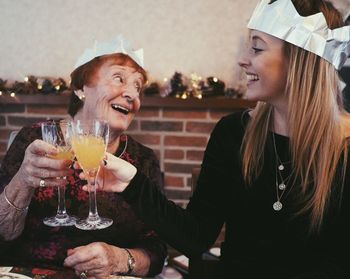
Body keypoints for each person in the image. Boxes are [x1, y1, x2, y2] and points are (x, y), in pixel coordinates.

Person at [82, 1, 350, 278]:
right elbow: (195, 237)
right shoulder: (233, 133)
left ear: (299, 59)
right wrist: (132, 183)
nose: (242, 59)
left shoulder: (345, 147)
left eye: (257, 48)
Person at [0, 36, 167, 278]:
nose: (132, 94)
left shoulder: (143, 160)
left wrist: (120, 259)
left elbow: (158, 250)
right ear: (81, 88)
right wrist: (22, 182)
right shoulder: (34, 141)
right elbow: (3, 234)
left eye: (138, 87)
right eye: (119, 78)